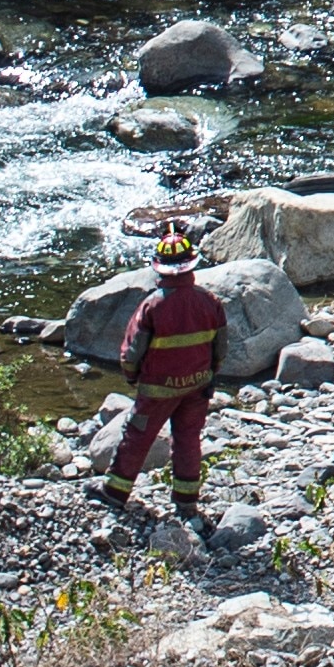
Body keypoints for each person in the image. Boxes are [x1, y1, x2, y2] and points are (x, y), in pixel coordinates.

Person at [98, 224, 229, 523]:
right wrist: (208, 376)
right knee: (187, 440)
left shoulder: (152, 305)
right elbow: (220, 350)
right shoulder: (211, 302)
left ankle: (115, 494)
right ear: (192, 267)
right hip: (197, 388)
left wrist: (132, 378)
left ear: (159, 269)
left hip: (156, 389)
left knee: (137, 436)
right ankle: (186, 504)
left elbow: (131, 352)